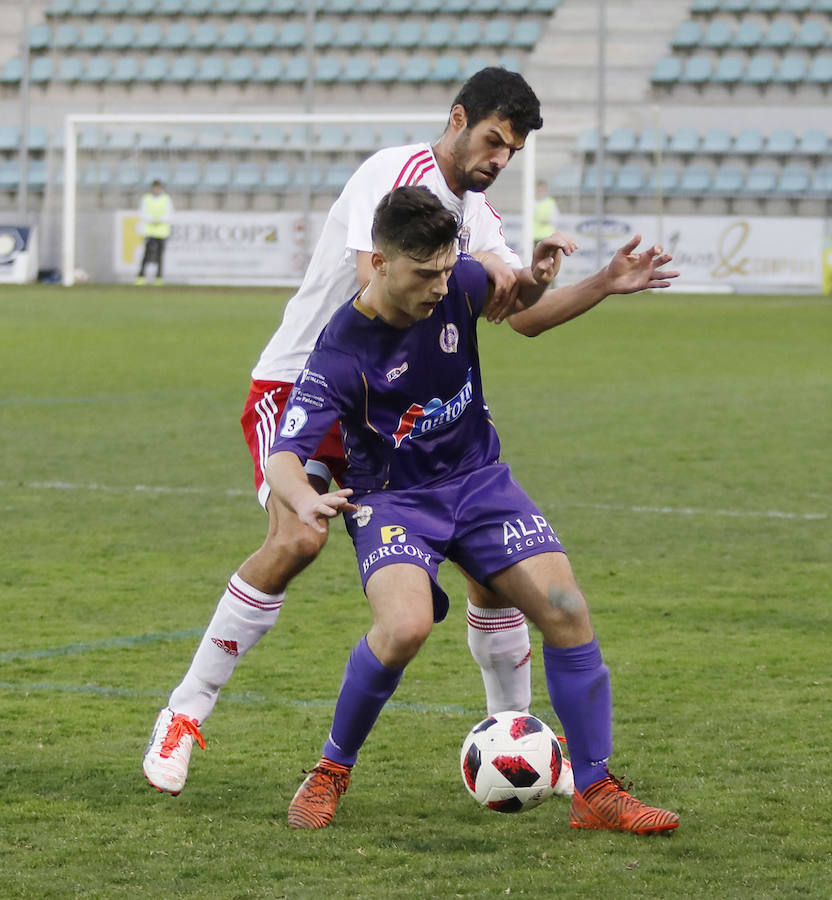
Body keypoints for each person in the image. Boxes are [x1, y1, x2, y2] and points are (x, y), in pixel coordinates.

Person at [142, 67, 678, 797]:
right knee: (297, 537)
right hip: (306, 380)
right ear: (458, 119)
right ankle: (185, 709)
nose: (499, 159)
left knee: (492, 568)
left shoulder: (474, 213)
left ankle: (513, 735)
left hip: (401, 406)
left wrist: (584, 282)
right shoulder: (395, 175)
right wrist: (487, 282)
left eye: (512, 151)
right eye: (493, 140)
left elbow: (514, 313)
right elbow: (384, 284)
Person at [268, 185, 680, 834]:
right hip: (394, 500)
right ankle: (330, 770)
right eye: (424, 273)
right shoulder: (342, 350)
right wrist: (304, 499)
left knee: (567, 609)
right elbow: (283, 457)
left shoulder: (459, 277)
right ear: (378, 264)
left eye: (445, 268)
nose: (439, 285)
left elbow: (523, 308)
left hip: (478, 481)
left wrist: (566, 280)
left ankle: (595, 789)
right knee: (404, 628)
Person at [135, 180, 173, 286]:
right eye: (155, 187)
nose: (156, 190)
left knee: (160, 255)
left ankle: (159, 278)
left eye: (158, 188)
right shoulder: (146, 198)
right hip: (149, 231)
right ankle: (141, 276)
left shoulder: (166, 199)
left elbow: (169, 214)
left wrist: (159, 220)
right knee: (146, 255)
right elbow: (142, 213)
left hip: (162, 232)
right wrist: (152, 220)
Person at [532, 178, 560, 259]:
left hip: (547, 237)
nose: (540, 191)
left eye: (542, 189)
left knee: (548, 259)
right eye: (538, 189)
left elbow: (556, 218)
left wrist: (547, 220)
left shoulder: (551, 202)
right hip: (534, 237)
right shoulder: (531, 202)